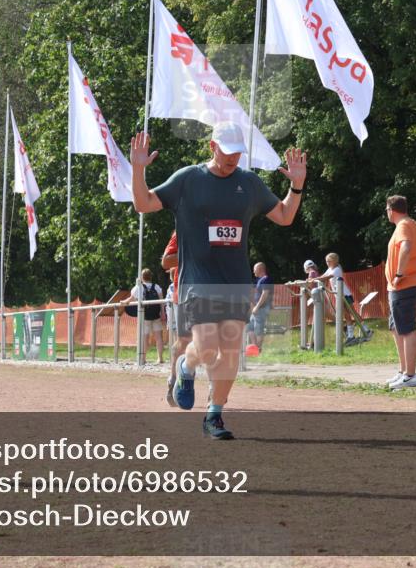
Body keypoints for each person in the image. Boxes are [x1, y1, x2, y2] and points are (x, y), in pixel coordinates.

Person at [131, 121, 306, 440]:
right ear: (212, 147)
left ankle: (215, 415)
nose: (232, 159)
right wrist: (138, 171)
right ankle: (186, 367)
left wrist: (296, 187)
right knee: (208, 347)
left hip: (236, 282)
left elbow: (283, 216)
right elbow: (143, 204)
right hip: (198, 281)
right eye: (227, 152)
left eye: (238, 153)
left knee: (230, 352)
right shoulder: (188, 179)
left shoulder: (248, 183)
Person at [383, 195, 416, 389]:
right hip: (408, 284)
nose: (386, 213)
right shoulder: (410, 223)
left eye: (386, 210)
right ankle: (404, 372)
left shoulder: (403, 225)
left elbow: (406, 247)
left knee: (407, 328)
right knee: (397, 327)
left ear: (391, 210)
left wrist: (399, 274)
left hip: (406, 284)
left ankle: (411, 375)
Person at [162, 231, 192, 407]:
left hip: (213, 289)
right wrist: (194, 251)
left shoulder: (221, 221)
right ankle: (174, 380)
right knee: (185, 339)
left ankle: (215, 393)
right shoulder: (182, 227)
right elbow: (166, 261)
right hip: (185, 292)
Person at [120, 268, 165, 365]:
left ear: (141, 277)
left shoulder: (138, 287)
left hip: (144, 316)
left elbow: (130, 299)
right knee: (159, 337)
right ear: (151, 276)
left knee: (145, 338)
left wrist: (123, 302)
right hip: (156, 315)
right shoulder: (157, 287)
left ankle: (143, 358)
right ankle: (160, 358)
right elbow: (162, 302)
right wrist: (163, 314)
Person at [316, 252, 357, 341]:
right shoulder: (330, 269)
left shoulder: (337, 269)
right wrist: (313, 279)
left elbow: (326, 278)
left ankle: (365, 329)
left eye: (329, 261)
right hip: (339, 295)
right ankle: (350, 335)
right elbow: (323, 276)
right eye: (326, 261)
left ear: (334, 261)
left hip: (345, 295)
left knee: (352, 313)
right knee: (347, 315)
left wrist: (314, 279)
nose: (327, 263)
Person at [247, 262, 273, 351]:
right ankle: (255, 347)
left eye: (254, 269)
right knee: (249, 327)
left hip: (261, 308)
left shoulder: (266, 279)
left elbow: (265, 294)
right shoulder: (259, 280)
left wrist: (257, 307)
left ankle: (258, 349)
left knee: (258, 329)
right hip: (257, 308)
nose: (253, 272)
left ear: (260, 269)